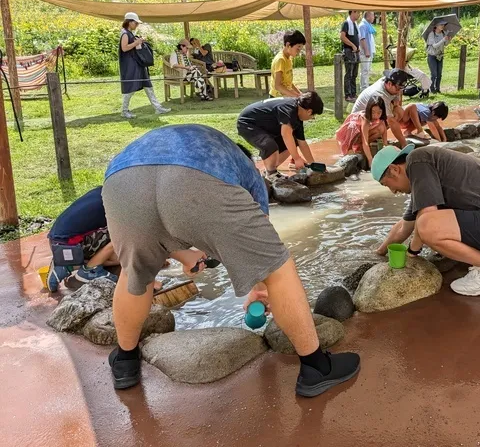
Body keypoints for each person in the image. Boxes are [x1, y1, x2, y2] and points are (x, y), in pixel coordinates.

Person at [103, 124, 360, 394]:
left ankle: (125, 360)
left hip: (122, 180)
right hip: (196, 176)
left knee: (135, 275)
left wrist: (184, 255)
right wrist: (259, 288)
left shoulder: (176, 141)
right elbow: (263, 253)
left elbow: (159, 211)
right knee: (280, 270)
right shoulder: (244, 168)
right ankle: (316, 367)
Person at [373, 144, 480, 296]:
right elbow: (404, 226)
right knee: (427, 222)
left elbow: (426, 221)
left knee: (428, 226)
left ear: (394, 169)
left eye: (387, 184)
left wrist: (411, 253)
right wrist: (379, 252)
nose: (393, 191)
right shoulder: (427, 171)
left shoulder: (418, 160)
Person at [47, 187, 212, 293]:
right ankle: (89, 271)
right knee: (139, 235)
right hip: (73, 244)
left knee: (142, 237)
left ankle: (71, 265)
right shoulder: (139, 203)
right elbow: (149, 235)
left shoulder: (128, 189)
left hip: (67, 245)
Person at [46, 187, 119, 291]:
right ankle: (90, 270)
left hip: (60, 245)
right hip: (72, 244)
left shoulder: (108, 189)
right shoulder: (122, 200)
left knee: (121, 256)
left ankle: (68, 265)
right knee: (129, 234)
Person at [237, 93, 324, 180]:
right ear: (309, 111)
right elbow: (286, 134)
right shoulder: (289, 109)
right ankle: (271, 174)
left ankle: (270, 170)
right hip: (247, 124)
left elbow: (302, 142)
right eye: (313, 115)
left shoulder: (297, 115)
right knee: (270, 146)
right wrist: (297, 158)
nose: (312, 118)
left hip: (263, 125)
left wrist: (313, 164)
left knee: (293, 141)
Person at [119, 12, 170, 119]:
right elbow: (124, 48)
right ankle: (124, 110)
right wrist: (137, 43)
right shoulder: (125, 33)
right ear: (129, 22)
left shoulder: (129, 33)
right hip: (130, 64)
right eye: (136, 23)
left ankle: (158, 107)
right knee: (130, 88)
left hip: (138, 63)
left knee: (148, 85)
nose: (137, 25)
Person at [352, 69, 412, 148]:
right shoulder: (380, 94)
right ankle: (360, 145)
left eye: (401, 89)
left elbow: (396, 104)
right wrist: (404, 143)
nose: (398, 92)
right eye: (397, 89)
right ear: (389, 84)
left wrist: (394, 104)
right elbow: (391, 121)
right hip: (358, 126)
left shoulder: (388, 84)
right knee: (380, 128)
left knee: (398, 111)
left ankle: (378, 138)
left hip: (372, 118)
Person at [335, 97, 388, 165]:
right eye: (373, 112)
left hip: (360, 135)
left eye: (379, 112)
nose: (375, 115)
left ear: (383, 111)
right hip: (351, 135)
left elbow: (385, 143)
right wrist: (370, 160)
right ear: (369, 110)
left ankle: (360, 148)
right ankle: (349, 149)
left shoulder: (381, 120)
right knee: (353, 127)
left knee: (381, 128)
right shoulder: (365, 119)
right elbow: (365, 141)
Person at [270, 30, 305, 99]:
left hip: (285, 97)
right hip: (277, 98)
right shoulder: (281, 60)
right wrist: (296, 96)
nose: (299, 52)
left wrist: (300, 94)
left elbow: (288, 83)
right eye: (298, 49)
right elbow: (278, 86)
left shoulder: (289, 58)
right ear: (288, 45)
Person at [340, 10, 361, 102]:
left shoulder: (355, 24)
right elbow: (342, 37)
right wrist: (352, 45)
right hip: (349, 51)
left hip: (356, 51)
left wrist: (357, 47)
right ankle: (348, 94)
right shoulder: (346, 23)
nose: (359, 15)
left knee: (354, 73)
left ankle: (353, 93)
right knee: (349, 73)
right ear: (352, 12)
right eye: (358, 12)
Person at [426, 20, 451, 94]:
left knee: (439, 74)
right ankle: (432, 89)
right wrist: (443, 40)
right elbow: (434, 46)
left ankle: (438, 88)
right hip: (432, 56)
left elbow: (445, 44)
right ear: (436, 26)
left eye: (444, 25)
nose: (443, 26)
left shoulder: (443, 33)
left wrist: (448, 40)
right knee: (434, 74)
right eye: (441, 25)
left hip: (440, 56)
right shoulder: (431, 34)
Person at [358, 12, 377, 92]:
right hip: (366, 52)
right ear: (368, 16)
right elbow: (362, 39)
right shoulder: (363, 25)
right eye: (372, 15)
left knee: (368, 70)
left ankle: (366, 85)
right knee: (365, 70)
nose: (374, 17)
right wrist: (366, 50)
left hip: (369, 51)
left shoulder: (368, 25)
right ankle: (364, 88)